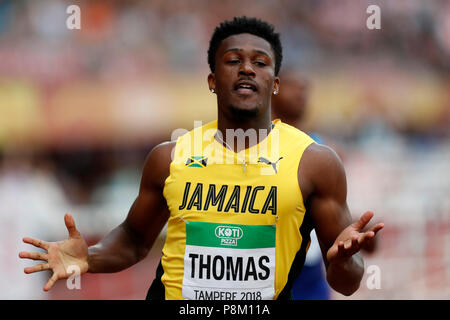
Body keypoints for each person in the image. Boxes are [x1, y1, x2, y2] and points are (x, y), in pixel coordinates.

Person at [19, 16, 384, 300]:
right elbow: (133, 240)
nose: (246, 68)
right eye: (232, 60)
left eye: (260, 62)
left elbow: (346, 282)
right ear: (212, 80)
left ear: (274, 82)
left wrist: (342, 261)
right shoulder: (170, 156)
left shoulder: (315, 163)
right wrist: (89, 257)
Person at [271, 72, 331, 300]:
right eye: (293, 87)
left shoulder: (323, 149)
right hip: (268, 261)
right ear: (273, 90)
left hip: (311, 268)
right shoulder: (256, 145)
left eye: (305, 88)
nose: (300, 94)